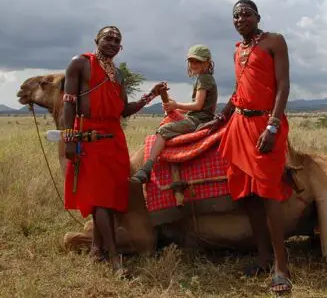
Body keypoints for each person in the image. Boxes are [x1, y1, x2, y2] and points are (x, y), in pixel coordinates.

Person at [202, 0, 293, 294]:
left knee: (269, 193)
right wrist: (221, 117)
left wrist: (273, 125)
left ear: (257, 17)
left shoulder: (274, 41)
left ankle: (282, 267)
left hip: (264, 124)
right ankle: (263, 257)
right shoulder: (237, 50)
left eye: (246, 13)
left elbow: (283, 85)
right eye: (236, 15)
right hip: (239, 125)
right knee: (247, 194)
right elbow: (240, 91)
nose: (241, 18)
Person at [63, 25, 166, 276]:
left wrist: (150, 96)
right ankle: (114, 260)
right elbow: (69, 102)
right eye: (108, 37)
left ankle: (97, 250)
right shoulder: (80, 63)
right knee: (100, 199)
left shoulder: (118, 75)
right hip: (90, 137)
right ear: (96, 39)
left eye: (117, 40)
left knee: (110, 196)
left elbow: (123, 110)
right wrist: (69, 137)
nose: (112, 42)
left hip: (114, 139)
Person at [130, 44, 218, 183]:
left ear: (207, 62)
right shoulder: (203, 78)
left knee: (164, 130)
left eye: (198, 61)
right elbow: (198, 107)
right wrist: (175, 108)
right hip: (199, 116)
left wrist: (176, 105)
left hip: (198, 120)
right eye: (191, 61)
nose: (193, 64)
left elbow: (198, 105)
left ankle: (147, 167)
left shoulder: (204, 79)